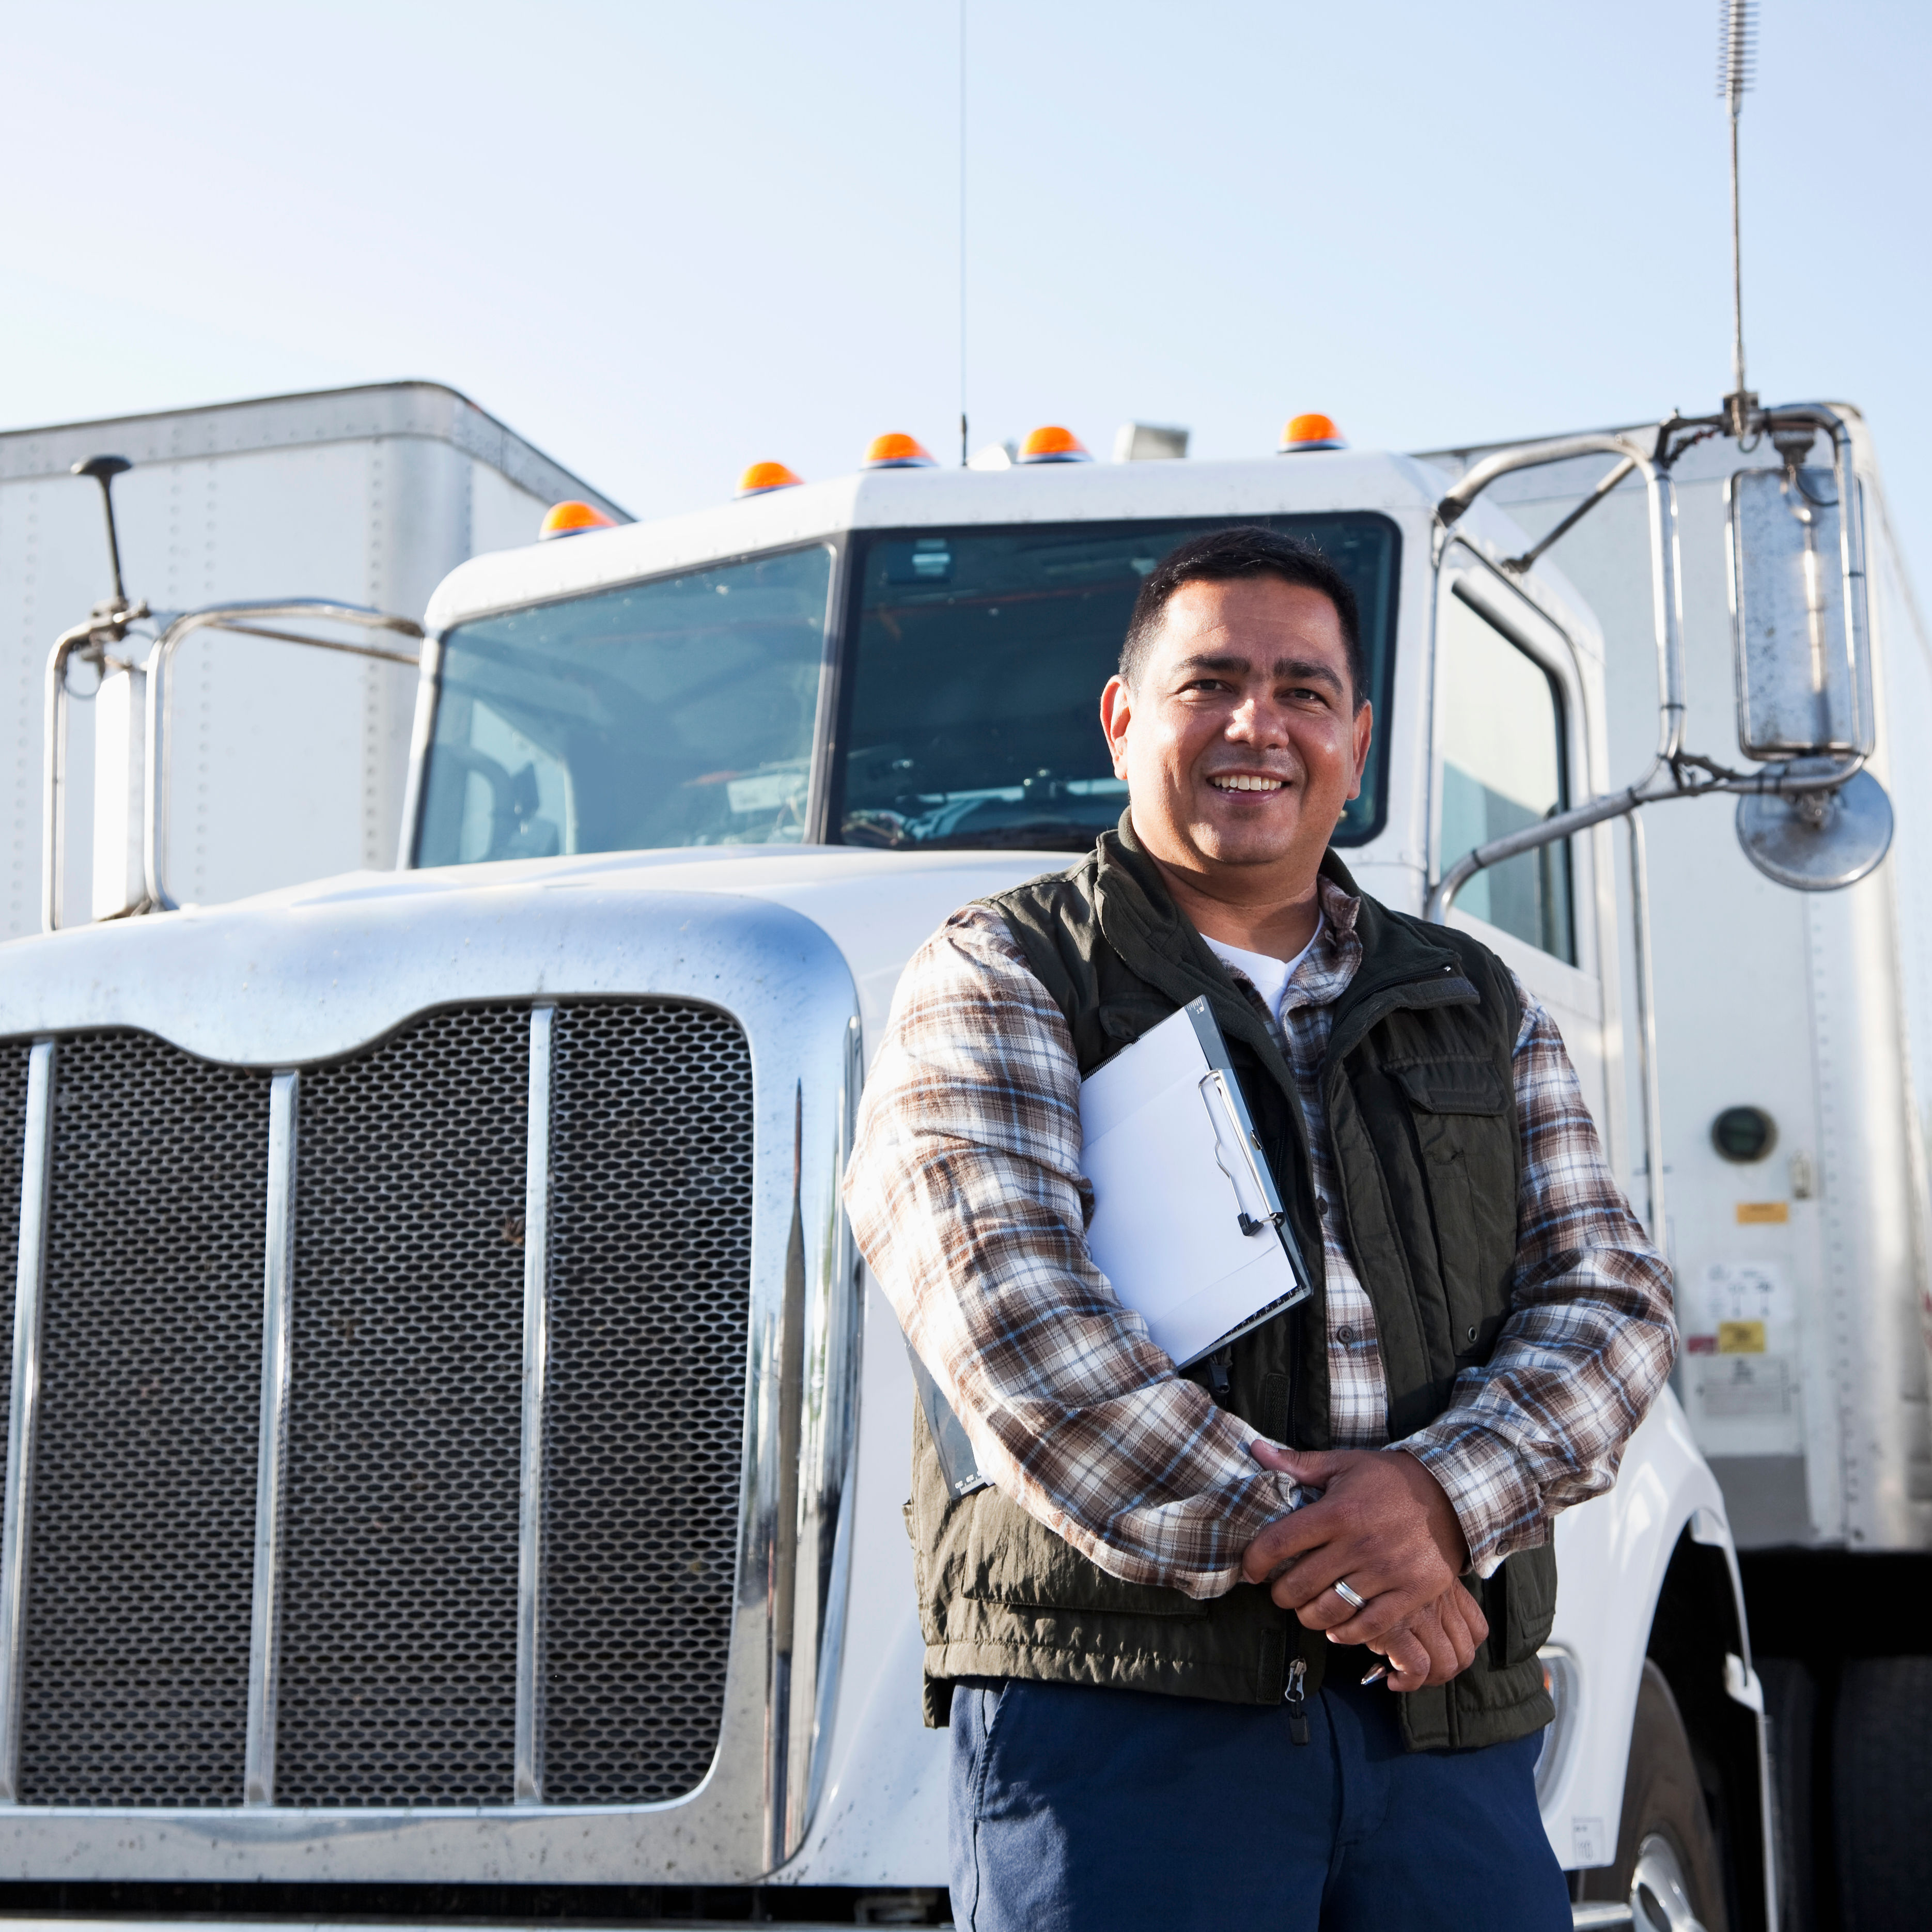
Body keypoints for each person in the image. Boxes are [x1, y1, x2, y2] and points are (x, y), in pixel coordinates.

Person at [843, 525, 1675, 1931]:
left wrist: (1431, 1502)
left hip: (1442, 1725)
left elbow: (1611, 1300)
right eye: (1208, 681)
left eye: (1299, 690)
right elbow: (1014, 1328)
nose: (1256, 724)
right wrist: (1357, 1558)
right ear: (1121, 719)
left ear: (1354, 737)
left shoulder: (1475, 997)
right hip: (1129, 1728)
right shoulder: (1002, 968)